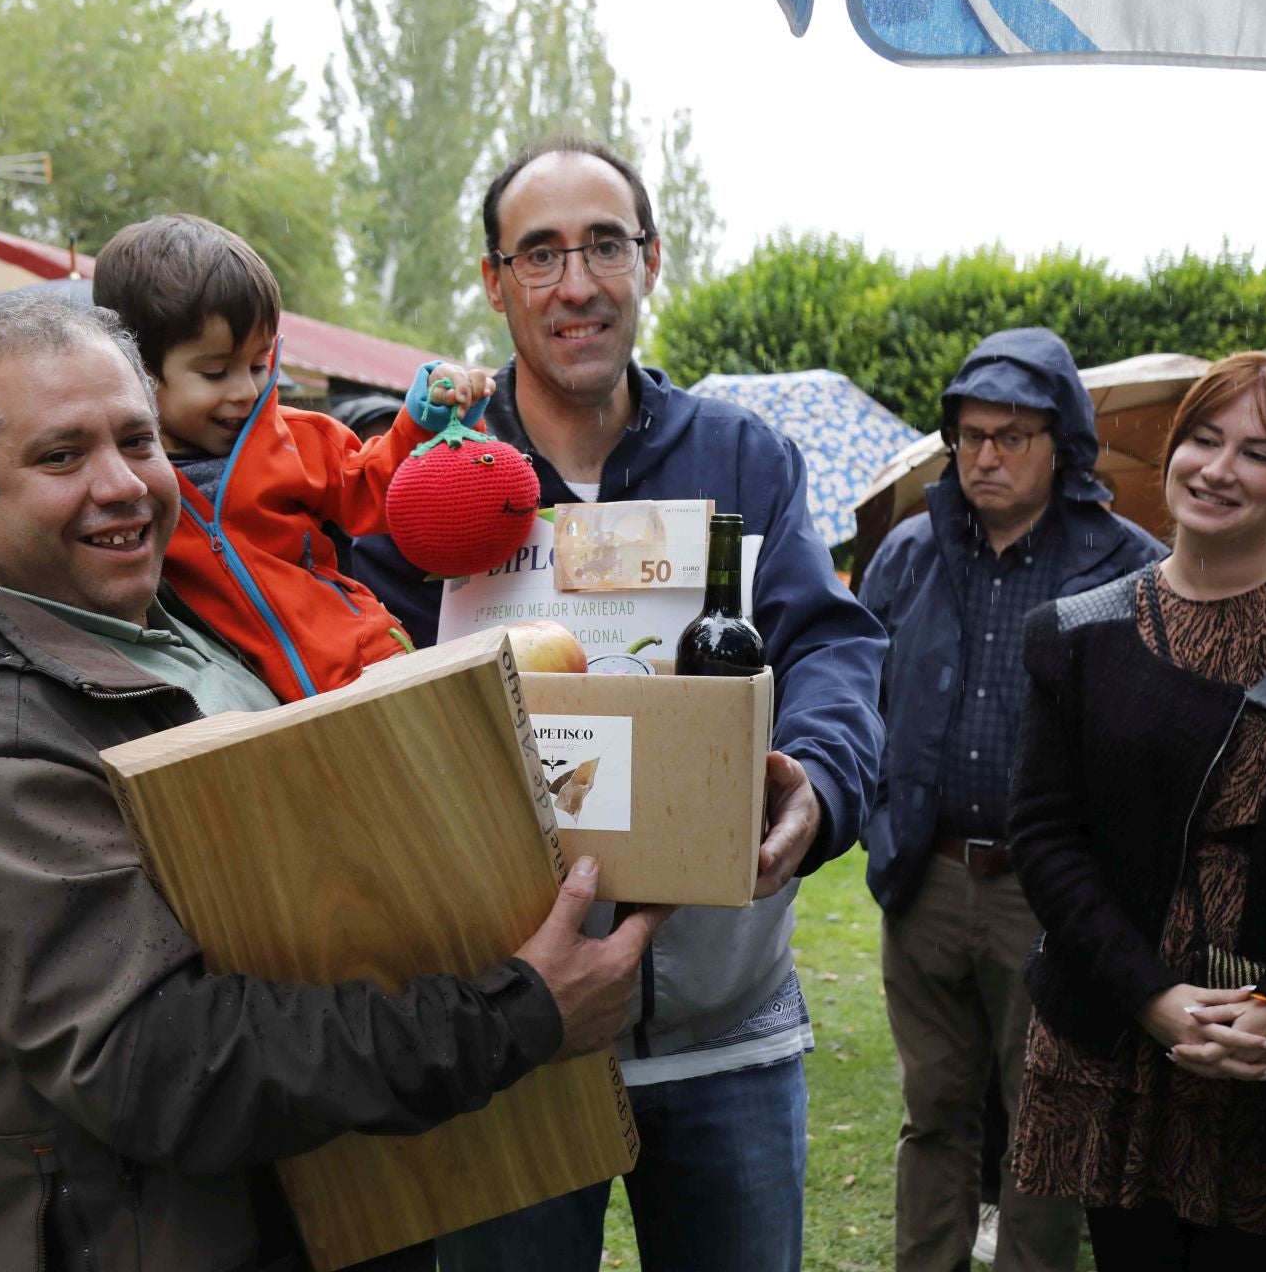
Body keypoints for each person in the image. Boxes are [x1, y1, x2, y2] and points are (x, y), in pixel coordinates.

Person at [0, 292, 665, 1271]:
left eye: (137, 440)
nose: (122, 484)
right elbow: (163, 1062)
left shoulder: (157, 610)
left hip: (327, 1201)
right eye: (61, 455)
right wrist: (514, 1013)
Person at [354, 136, 888, 1272]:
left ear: (650, 259)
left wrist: (821, 786)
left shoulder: (743, 458)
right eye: (539, 254)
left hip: (722, 1032)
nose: (577, 283)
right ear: (495, 282)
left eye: (603, 244)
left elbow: (833, 644)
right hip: (512, 1032)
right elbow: (357, 682)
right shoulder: (428, 479)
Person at [1007, 351, 1266, 1269]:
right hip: (1121, 1039)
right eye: (1203, 439)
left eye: (1256, 452)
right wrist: (1152, 998)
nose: (1219, 469)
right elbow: (1047, 836)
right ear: (1173, 448)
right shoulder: (1076, 634)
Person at [857, 328, 1161, 1272]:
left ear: (1063, 445)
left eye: (1012, 435)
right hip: (928, 875)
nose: (985, 454)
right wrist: (881, 823)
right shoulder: (909, 553)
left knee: (1046, 1125)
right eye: (970, 434)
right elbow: (857, 697)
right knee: (935, 1114)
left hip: (1054, 894)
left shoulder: (1129, 569)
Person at [92, 213, 494, 701]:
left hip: (366, 667)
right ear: (139, 372)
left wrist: (423, 423)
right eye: (216, 372)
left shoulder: (298, 438)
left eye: (259, 363)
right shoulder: (130, 486)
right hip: (248, 707)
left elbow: (373, 487)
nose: (245, 390)